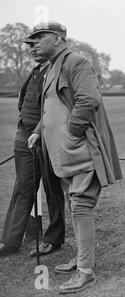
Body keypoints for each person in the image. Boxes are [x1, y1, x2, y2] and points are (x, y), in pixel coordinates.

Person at [26, 21, 122, 294]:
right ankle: (81, 259)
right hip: (64, 155)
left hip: (80, 151)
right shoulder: (53, 65)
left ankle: (86, 272)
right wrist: (38, 132)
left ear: (57, 38)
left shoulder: (76, 62)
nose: (33, 44)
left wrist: (70, 134)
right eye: (31, 41)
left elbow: (88, 100)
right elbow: (50, 109)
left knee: (80, 207)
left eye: (38, 38)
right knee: (74, 205)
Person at [0, 38, 65, 258]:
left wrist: (38, 131)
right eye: (30, 45)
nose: (33, 48)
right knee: (22, 188)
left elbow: (55, 108)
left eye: (37, 43)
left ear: (53, 43)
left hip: (47, 137)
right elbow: (23, 103)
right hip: (24, 136)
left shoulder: (59, 71)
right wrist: (24, 130)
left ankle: (53, 239)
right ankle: (9, 241)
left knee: (52, 189)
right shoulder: (35, 71)